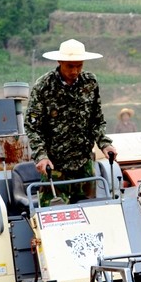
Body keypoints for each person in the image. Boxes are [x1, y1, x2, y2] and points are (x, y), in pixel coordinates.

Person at [25, 39, 117, 203]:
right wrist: (41, 156)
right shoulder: (44, 86)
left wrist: (104, 143)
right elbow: (33, 127)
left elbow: (96, 119)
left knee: (90, 213)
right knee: (54, 215)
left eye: (79, 66)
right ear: (60, 62)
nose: (75, 71)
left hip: (84, 164)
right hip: (55, 167)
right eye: (70, 66)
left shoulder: (90, 83)